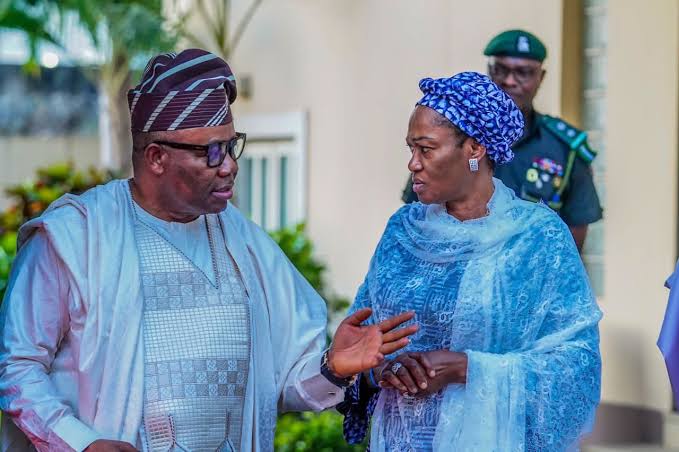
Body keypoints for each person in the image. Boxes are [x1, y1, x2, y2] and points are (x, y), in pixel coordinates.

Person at [0, 49, 417, 452]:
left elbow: (283, 382)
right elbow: (16, 367)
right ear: (157, 157)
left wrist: (333, 367)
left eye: (231, 145)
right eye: (211, 151)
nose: (229, 165)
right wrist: (81, 442)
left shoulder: (243, 241)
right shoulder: (75, 238)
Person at [340, 72, 602, 451]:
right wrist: (382, 369)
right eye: (410, 149)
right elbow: (360, 344)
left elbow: (577, 365)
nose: (413, 164)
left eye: (426, 149)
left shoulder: (537, 237)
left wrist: (464, 368)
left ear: (475, 149)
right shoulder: (402, 232)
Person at [402, 29, 602, 252]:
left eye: (523, 72)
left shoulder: (565, 147)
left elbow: (574, 235)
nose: (509, 81)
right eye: (501, 70)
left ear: (541, 77)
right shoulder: (457, 135)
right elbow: (417, 215)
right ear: (489, 71)